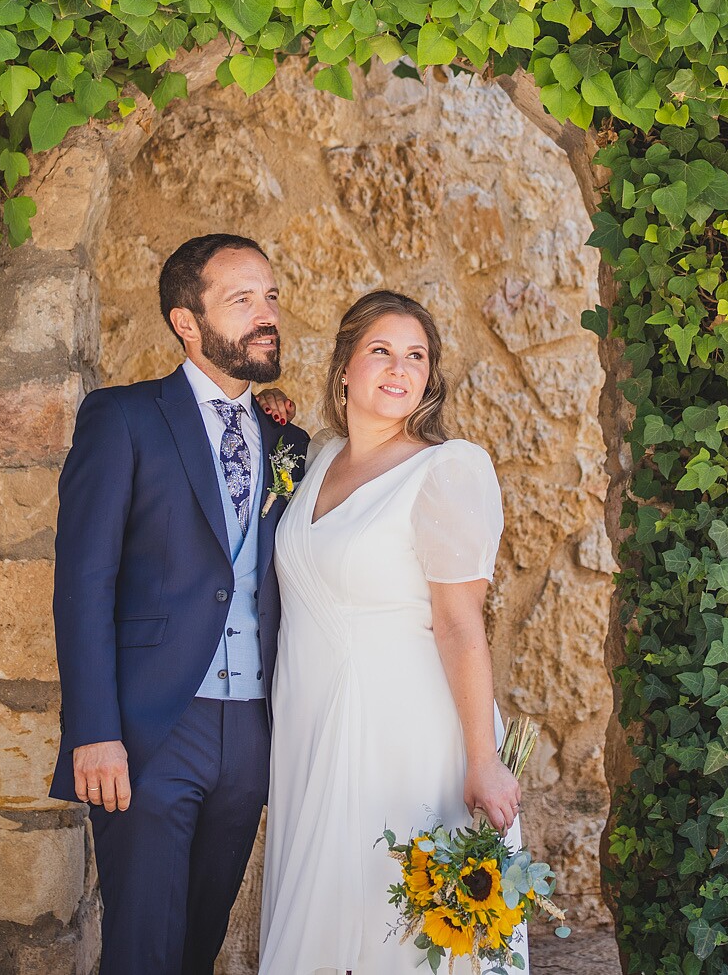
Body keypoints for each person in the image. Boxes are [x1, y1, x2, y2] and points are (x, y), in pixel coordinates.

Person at [50, 233, 308, 975]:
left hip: (252, 732)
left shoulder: (289, 443)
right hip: (152, 728)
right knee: (144, 951)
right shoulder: (122, 418)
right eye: (241, 299)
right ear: (186, 323)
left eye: (270, 296)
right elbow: (84, 582)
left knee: (199, 945)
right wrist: (94, 730)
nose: (266, 314)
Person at [258, 289, 525, 974]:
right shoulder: (317, 459)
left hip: (404, 735)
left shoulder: (446, 470)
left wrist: (482, 757)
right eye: (381, 350)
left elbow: (460, 624)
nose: (400, 369)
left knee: (397, 924)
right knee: (323, 914)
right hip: (311, 727)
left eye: (416, 356)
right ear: (344, 365)